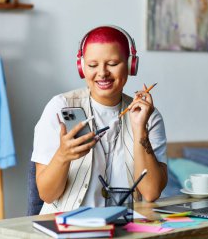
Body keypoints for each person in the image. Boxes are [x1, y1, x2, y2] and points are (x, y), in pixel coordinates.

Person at [31, 25, 168, 214]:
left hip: (123, 228)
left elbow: (151, 192)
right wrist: (63, 156)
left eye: (112, 64)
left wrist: (140, 129)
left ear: (130, 66)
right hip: (67, 228)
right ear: (82, 67)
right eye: (93, 65)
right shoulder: (59, 107)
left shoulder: (148, 115)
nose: (102, 73)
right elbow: (47, 194)